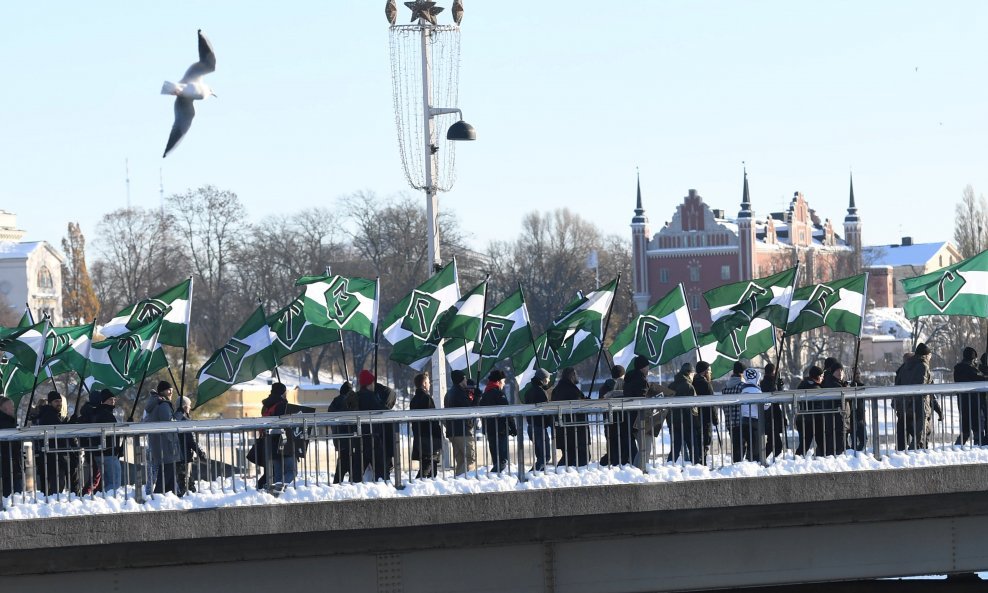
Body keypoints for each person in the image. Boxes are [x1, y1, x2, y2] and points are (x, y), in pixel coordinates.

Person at [896, 343, 942, 450]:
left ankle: (903, 457)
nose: (930, 358)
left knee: (911, 438)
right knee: (921, 439)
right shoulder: (923, 367)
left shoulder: (904, 367)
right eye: (930, 355)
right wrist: (938, 410)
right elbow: (926, 390)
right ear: (926, 355)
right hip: (920, 408)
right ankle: (915, 461)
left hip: (905, 408)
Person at [256, 382, 298, 490]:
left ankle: (276, 494)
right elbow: (287, 421)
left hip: (270, 442)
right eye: (285, 392)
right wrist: (286, 404)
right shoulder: (282, 405)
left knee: (278, 473)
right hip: (284, 441)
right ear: (282, 393)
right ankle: (279, 491)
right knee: (292, 471)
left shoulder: (266, 406)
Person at [145, 381, 181, 494]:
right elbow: (169, 423)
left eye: (172, 390)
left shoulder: (155, 403)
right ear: (162, 391)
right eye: (168, 390)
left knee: (169, 477)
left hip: (160, 445)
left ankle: (174, 498)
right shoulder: (164, 405)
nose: (171, 392)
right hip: (167, 446)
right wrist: (179, 414)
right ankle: (157, 499)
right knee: (166, 476)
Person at [479, 369, 517, 473]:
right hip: (500, 430)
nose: (504, 384)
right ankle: (492, 475)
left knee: (496, 459)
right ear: (499, 381)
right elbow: (507, 412)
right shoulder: (499, 394)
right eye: (503, 381)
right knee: (502, 460)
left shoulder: (485, 394)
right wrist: (513, 428)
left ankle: (495, 478)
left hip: (489, 430)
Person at [34, 392, 72, 495]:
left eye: (60, 401)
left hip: (54, 455)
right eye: (56, 401)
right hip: (53, 455)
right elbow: (58, 431)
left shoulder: (51, 413)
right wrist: (69, 423)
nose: (59, 403)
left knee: (56, 483)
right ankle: (53, 503)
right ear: (50, 403)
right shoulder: (49, 414)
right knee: (57, 484)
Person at [551, 367, 590, 467]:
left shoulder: (557, 389)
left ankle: (563, 474)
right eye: (575, 374)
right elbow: (578, 404)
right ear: (572, 375)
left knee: (568, 456)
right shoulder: (572, 390)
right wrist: (586, 402)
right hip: (575, 430)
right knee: (581, 457)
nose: (577, 377)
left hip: (563, 429)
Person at [600, 364, 637, 466]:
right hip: (624, 423)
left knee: (614, 449)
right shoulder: (626, 387)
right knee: (628, 448)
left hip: (609, 423)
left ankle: (614, 465)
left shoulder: (604, 388)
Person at [409, 373, 443, 479]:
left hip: (420, 437)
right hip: (429, 439)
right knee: (426, 469)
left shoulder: (414, 399)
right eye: (428, 382)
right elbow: (432, 420)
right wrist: (438, 435)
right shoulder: (427, 398)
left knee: (432, 470)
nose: (430, 384)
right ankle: (414, 488)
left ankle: (427, 489)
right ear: (424, 383)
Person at [356, 371, 388, 481]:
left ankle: (353, 489)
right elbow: (381, 411)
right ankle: (384, 488)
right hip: (372, 437)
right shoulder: (371, 397)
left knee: (357, 471)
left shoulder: (356, 396)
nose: (374, 385)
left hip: (359, 437)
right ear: (369, 384)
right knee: (381, 471)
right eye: (373, 383)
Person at [444, 370, 477, 476]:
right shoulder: (459, 393)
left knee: (461, 460)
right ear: (460, 380)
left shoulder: (449, 393)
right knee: (470, 458)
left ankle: (458, 480)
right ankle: (464, 480)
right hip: (462, 430)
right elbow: (469, 409)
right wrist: (476, 397)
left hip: (453, 431)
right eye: (464, 378)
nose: (466, 380)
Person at [90, 389, 123, 493]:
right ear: (103, 401)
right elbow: (113, 432)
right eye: (110, 399)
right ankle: (108, 502)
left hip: (100, 452)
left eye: (113, 399)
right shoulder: (106, 414)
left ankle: (104, 501)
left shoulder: (97, 413)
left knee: (107, 482)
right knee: (114, 483)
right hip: (109, 452)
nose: (113, 401)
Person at [667, 363, 700, 463]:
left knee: (675, 447)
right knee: (693, 447)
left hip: (673, 421)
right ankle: (696, 467)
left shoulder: (671, 385)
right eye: (693, 374)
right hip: (687, 421)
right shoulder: (689, 386)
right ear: (689, 373)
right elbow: (692, 407)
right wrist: (696, 422)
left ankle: (669, 466)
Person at [328, 381, 360, 483]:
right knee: (352, 466)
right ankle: (353, 485)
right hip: (351, 438)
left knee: (342, 464)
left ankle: (338, 484)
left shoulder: (334, 402)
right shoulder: (350, 401)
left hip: (339, 439)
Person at [174, 396, 207, 495]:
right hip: (185, 454)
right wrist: (201, 453)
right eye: (189, 406)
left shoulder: (174, 417)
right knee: (186, 481)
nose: (190, 408)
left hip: (176, 454)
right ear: (184, 407)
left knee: (181, 479)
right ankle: (187, 500)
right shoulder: (184, 420)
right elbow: (191, 439)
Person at [953, 347, 985, 446]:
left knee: (965, 429)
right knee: (977, 429)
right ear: (972, 358)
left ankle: (957, 448)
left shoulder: (958, 369)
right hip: (974, 402)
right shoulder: (972, 370)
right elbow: (980, 379)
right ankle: (978, 448)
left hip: (962, 402)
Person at [524, 369, 553, 471]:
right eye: (548, 379)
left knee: (541, 457)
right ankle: (532, 475)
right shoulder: (541, 392)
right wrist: (551, 422)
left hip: (531, 427)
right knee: (545, 457)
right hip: (539, 427)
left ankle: (535, 475)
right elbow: (545, 411)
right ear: (544, 379)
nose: (549, 381)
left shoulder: (528, 392)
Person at [819, 361, 849, 456]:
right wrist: (845, 388)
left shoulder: (838, 383)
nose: (840, 373)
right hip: (836, 418)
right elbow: (839, 396)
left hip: (839, 418)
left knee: (838, 442)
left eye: (841, 370)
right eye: (837, 371)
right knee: (837, 443)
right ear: (832, 372)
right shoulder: (832, 383)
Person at [737, 368, 766, 462]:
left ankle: (745, 462)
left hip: (744, 420)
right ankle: (753, 463)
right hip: (755, 420)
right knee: (755, 447)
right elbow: (765, 405)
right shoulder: (757, 391)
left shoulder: (742, 390)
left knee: (748, 444)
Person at [721, 362, 747, 463]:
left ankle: (736, 464)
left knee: (736, 446)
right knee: (742, 446)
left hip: (729, 421)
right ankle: (738, 465)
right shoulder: (742, 387)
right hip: (741, 421)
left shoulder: (726, 387)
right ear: (742, 373)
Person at [795, 366, 824, 456]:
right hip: (812, 419)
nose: (823, 378)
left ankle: (797, 461)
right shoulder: (816, 388)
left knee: (804, 445)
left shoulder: (803, 384)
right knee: (821, 444)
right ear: (818, 376)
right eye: (822, 376)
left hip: (803, 418)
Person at [760, 363, 787, 458]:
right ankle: (762, 460)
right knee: (776, 444)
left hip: (772, 416)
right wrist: (778, 387)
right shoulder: (767, 383)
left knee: (772, 443)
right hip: (771, 417)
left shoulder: (766, 382)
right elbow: (777, 396)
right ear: (773, 372)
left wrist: (779, 386)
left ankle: (762, 460)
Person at [693, 361, 718, 461]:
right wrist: (715, 419)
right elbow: (712, 403)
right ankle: (702, 462)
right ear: (705, 372)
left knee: (698, 442)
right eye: (709, 371)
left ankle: (699, 462)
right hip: (706, 418)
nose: (710, 373)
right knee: (705, 442)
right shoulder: (706, 384)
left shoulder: (693, 382)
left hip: (695, 417)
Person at [0, 396, 23, 497]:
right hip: (9, 464)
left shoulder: (9, 422)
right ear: (3, 408)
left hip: (10, 463)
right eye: (11, 406)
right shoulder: (6, 423)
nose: (14, 408)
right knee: (13, 495)